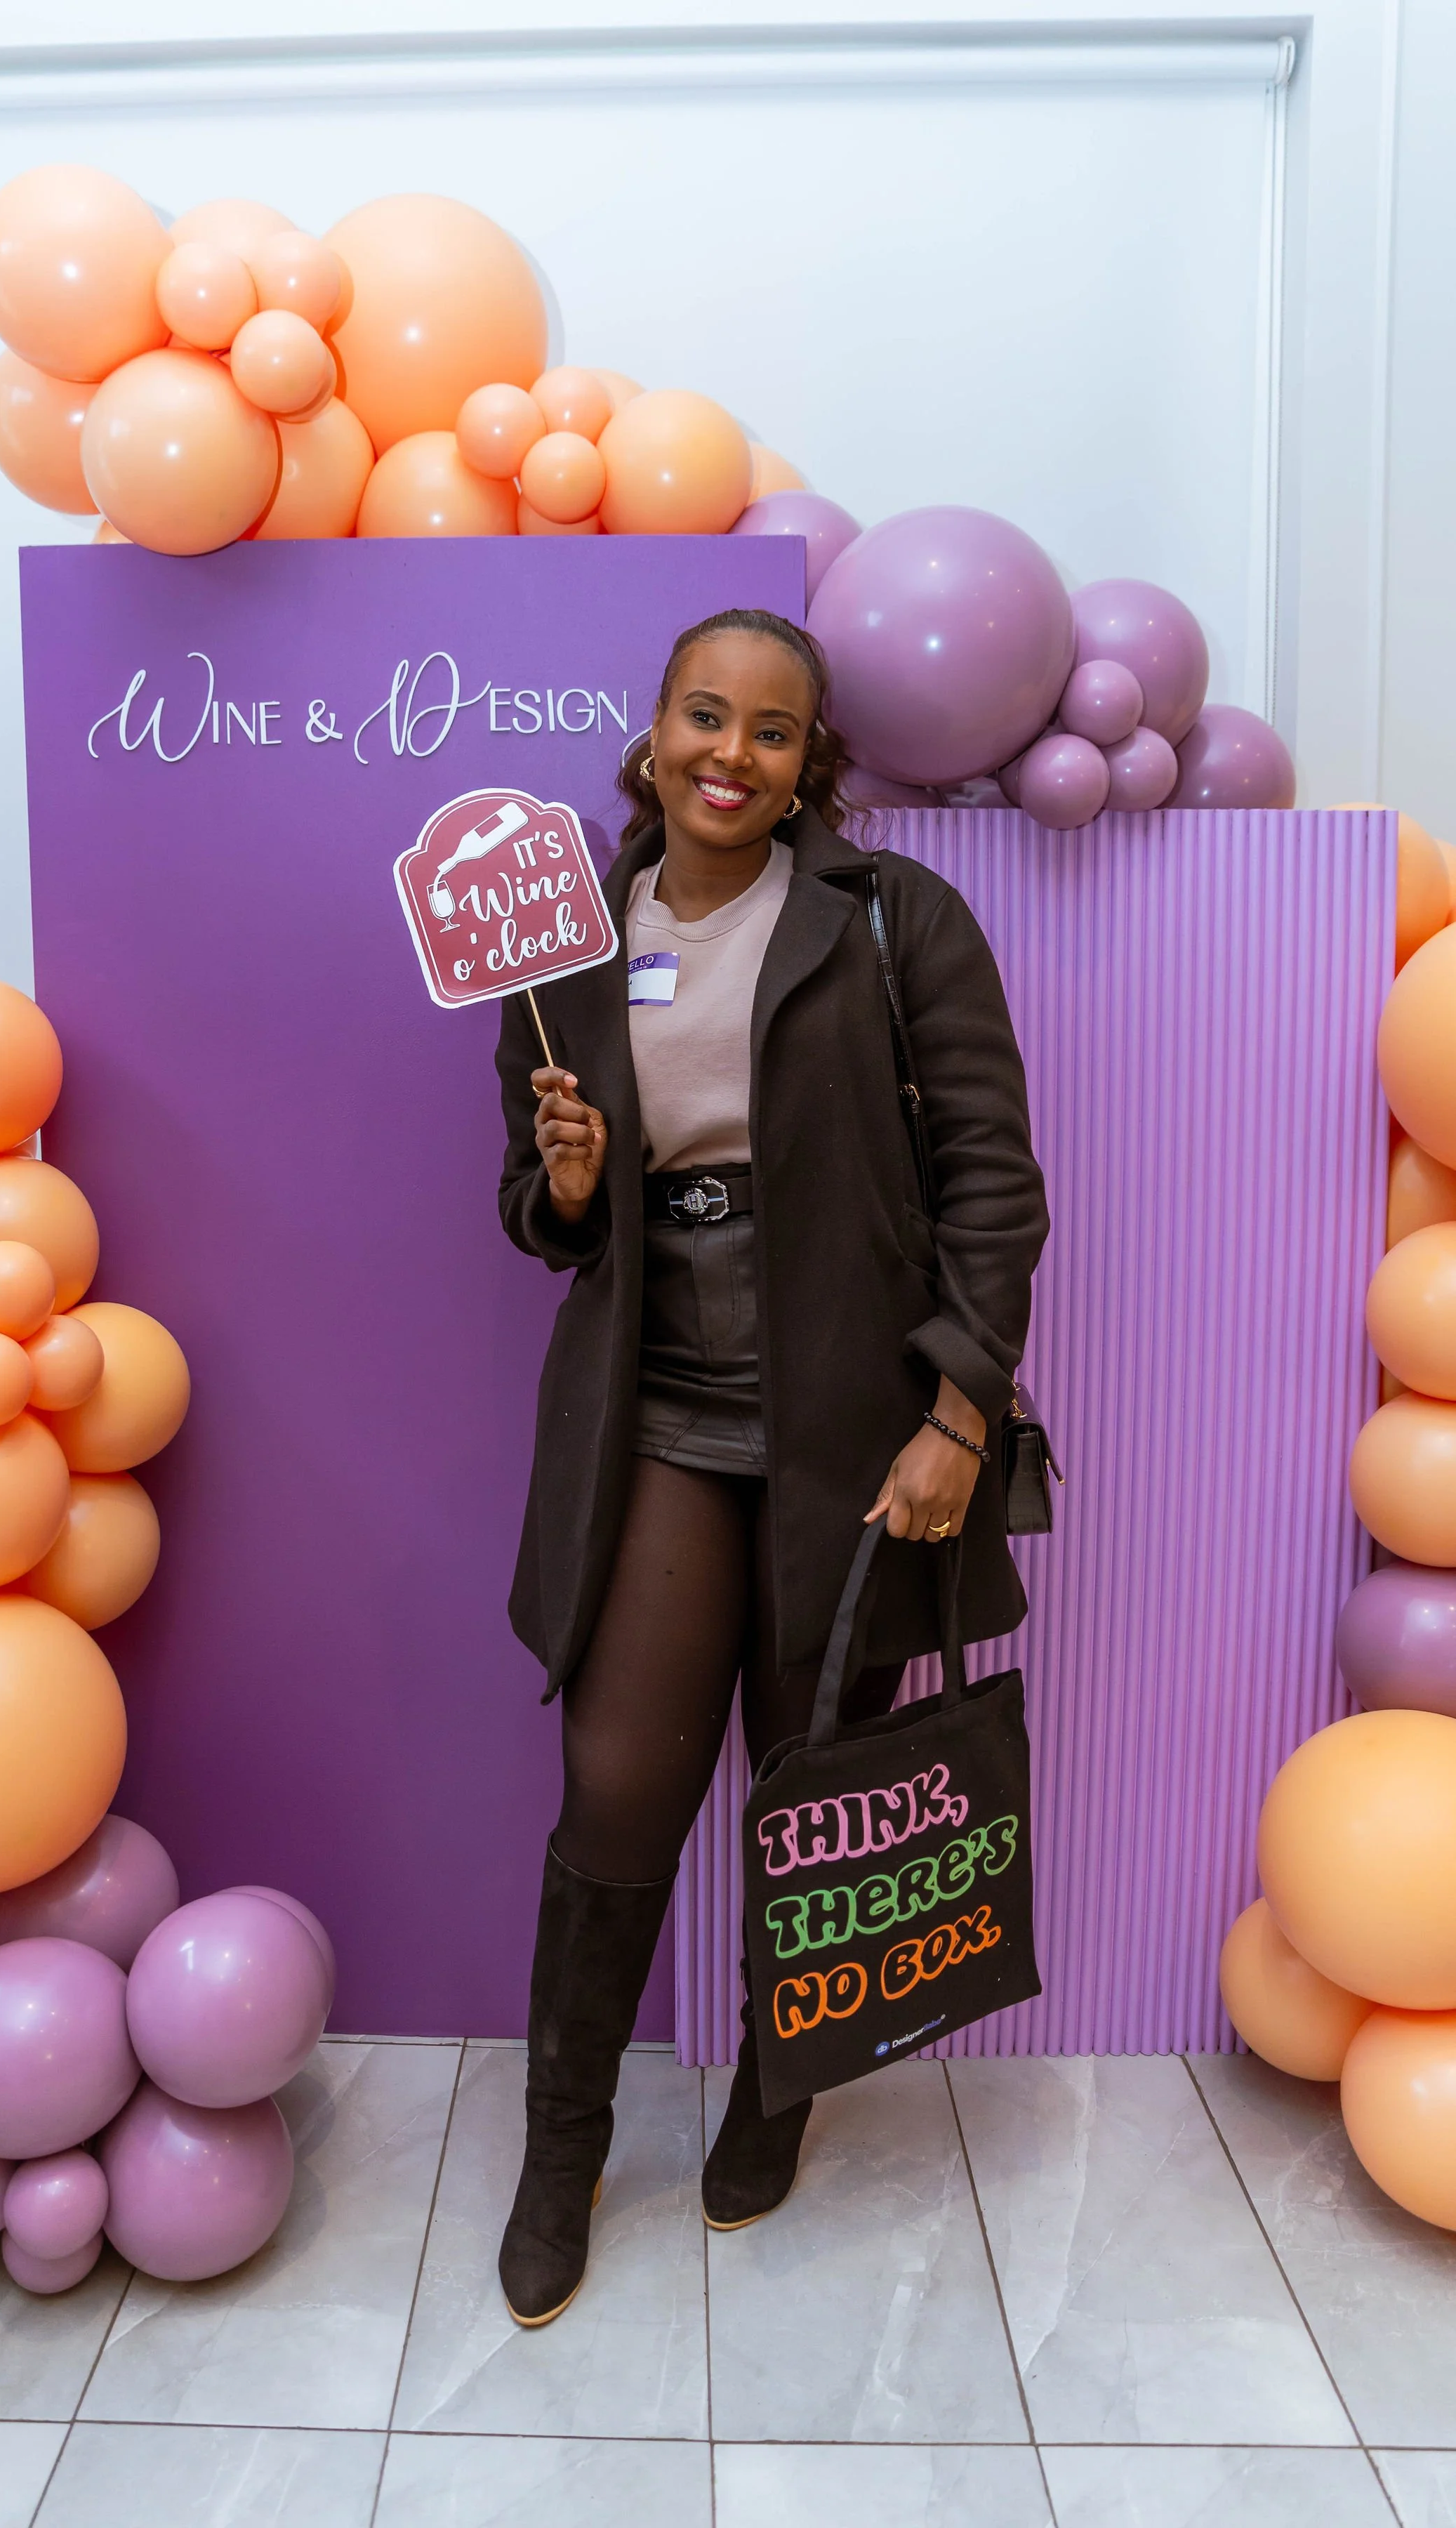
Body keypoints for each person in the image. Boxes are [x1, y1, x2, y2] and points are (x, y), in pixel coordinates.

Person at [492, 607, 1048, 2326]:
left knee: (816, 1791)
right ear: (653, 731)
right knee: (618, 1793)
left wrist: (957, 1413)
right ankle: (562, 2146)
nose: (733, 754)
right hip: (659, 1407)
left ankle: (775, 2092)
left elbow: (992, 1181)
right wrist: (568, 1178)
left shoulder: (893, 923)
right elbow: (534, 1220)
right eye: (704, 717)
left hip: (848, 1427)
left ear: (817, 763)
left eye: (775, 730)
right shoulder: (566, 936)